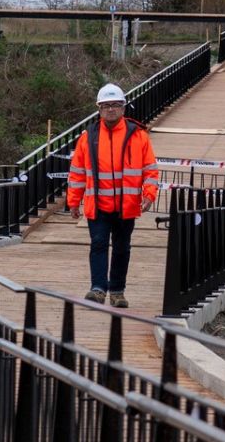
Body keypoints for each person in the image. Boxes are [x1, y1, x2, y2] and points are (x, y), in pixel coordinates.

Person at [64, 83, 159, 308]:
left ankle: (117, 291)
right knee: (98, 244)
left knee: (121, 248)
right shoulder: (88, 138)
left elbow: (150, 169)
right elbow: (77, 173)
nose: (111, 110)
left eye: (115, 105)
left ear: (124, 108)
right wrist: (73, 202)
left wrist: (149, 194)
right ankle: (98, 289)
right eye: (106, 106)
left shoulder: (138, 136)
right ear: (99, 109)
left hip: (126, 205)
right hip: (98, 205)